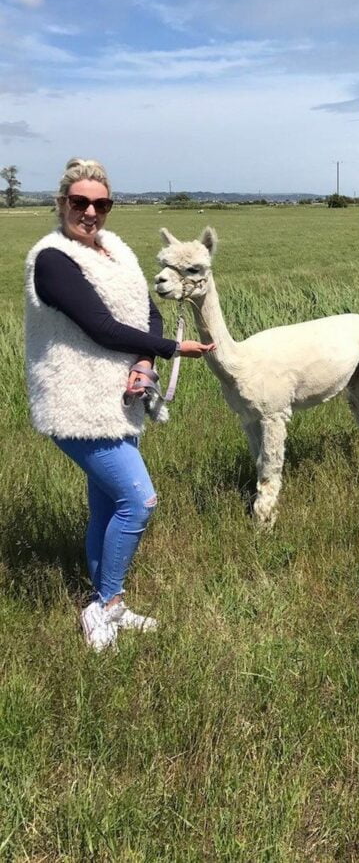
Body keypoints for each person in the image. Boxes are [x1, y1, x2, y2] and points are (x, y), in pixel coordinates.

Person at [24, 158, 215, 652]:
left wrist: (148, 360)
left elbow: (146, 313)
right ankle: (104, 606)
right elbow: (100, 327)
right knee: (139, 499)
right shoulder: (52, 260)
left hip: (120, 398)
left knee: (106, 507)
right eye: (79, 202)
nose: (90, 212)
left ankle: (107, 600)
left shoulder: (117, 252)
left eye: (101, 203)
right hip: (76, 403)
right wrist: (177, 348)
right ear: (61, 202)